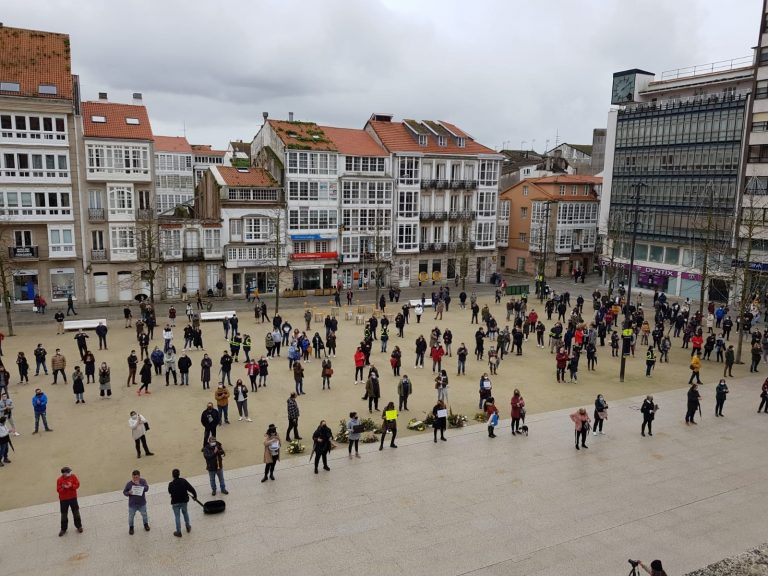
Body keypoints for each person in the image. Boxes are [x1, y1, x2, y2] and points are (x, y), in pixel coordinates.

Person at [168, 468, 196, 537]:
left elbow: (170, 492)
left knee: (177, 517)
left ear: (172, 475)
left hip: (175, 502)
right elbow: (191, 488)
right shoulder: (183, 481)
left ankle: (178, 532)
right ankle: (188, 526)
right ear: (179, 474)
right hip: (184, 501)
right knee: (185, 513)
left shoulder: (171, 484)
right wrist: (195, 495)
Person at [57, 466, 83, 536]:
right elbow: (58, 490)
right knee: (64, 515)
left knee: (76, 512)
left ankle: (79, 526)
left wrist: (71, 486)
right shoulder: (59, 480)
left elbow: (77, 485)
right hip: (63, 500)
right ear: (64, 473)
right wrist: (64, 488)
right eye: (68, 472)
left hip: (73, 498)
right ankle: (63, 529)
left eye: (70, 472)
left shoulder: (73, 476)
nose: (70, 473)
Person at [123, 470, 149, 535]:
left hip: (142, 503)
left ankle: (146, 524)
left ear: (139, 476)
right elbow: (124, 492)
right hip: (132, 505)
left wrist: (139, 485)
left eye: (137, 477)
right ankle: (131, 527)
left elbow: (147, 488)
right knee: (131, 517)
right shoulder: (129, 484)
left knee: (144, 515)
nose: (135, 479)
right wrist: (128, 492)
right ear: (132, 476)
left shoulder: (143, 481)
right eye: (134, 477)